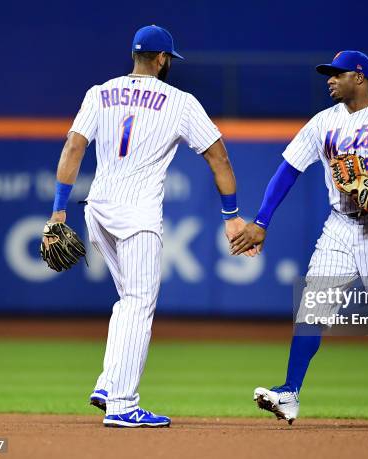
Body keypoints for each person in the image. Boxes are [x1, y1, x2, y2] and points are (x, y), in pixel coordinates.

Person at [45, 25, 247, 428]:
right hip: (137, 215)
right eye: (168, 58)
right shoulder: (180, 102)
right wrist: (231, 215)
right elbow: (219, 157)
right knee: (140, 303)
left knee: (127, 300)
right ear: (161, 59)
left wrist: (57, 212)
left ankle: (107, 384)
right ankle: (123, 403)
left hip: (97, 210)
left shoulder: (99, 92)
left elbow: (73, 146)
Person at [231, 50, 368, 430]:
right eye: (328, 74)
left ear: (359, 77)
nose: (329, 79)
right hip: (341, 225)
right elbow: (288, 169)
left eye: (336, 74)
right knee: (312, 305)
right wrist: (261, 220)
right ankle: (290, 392)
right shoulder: (323, 122)